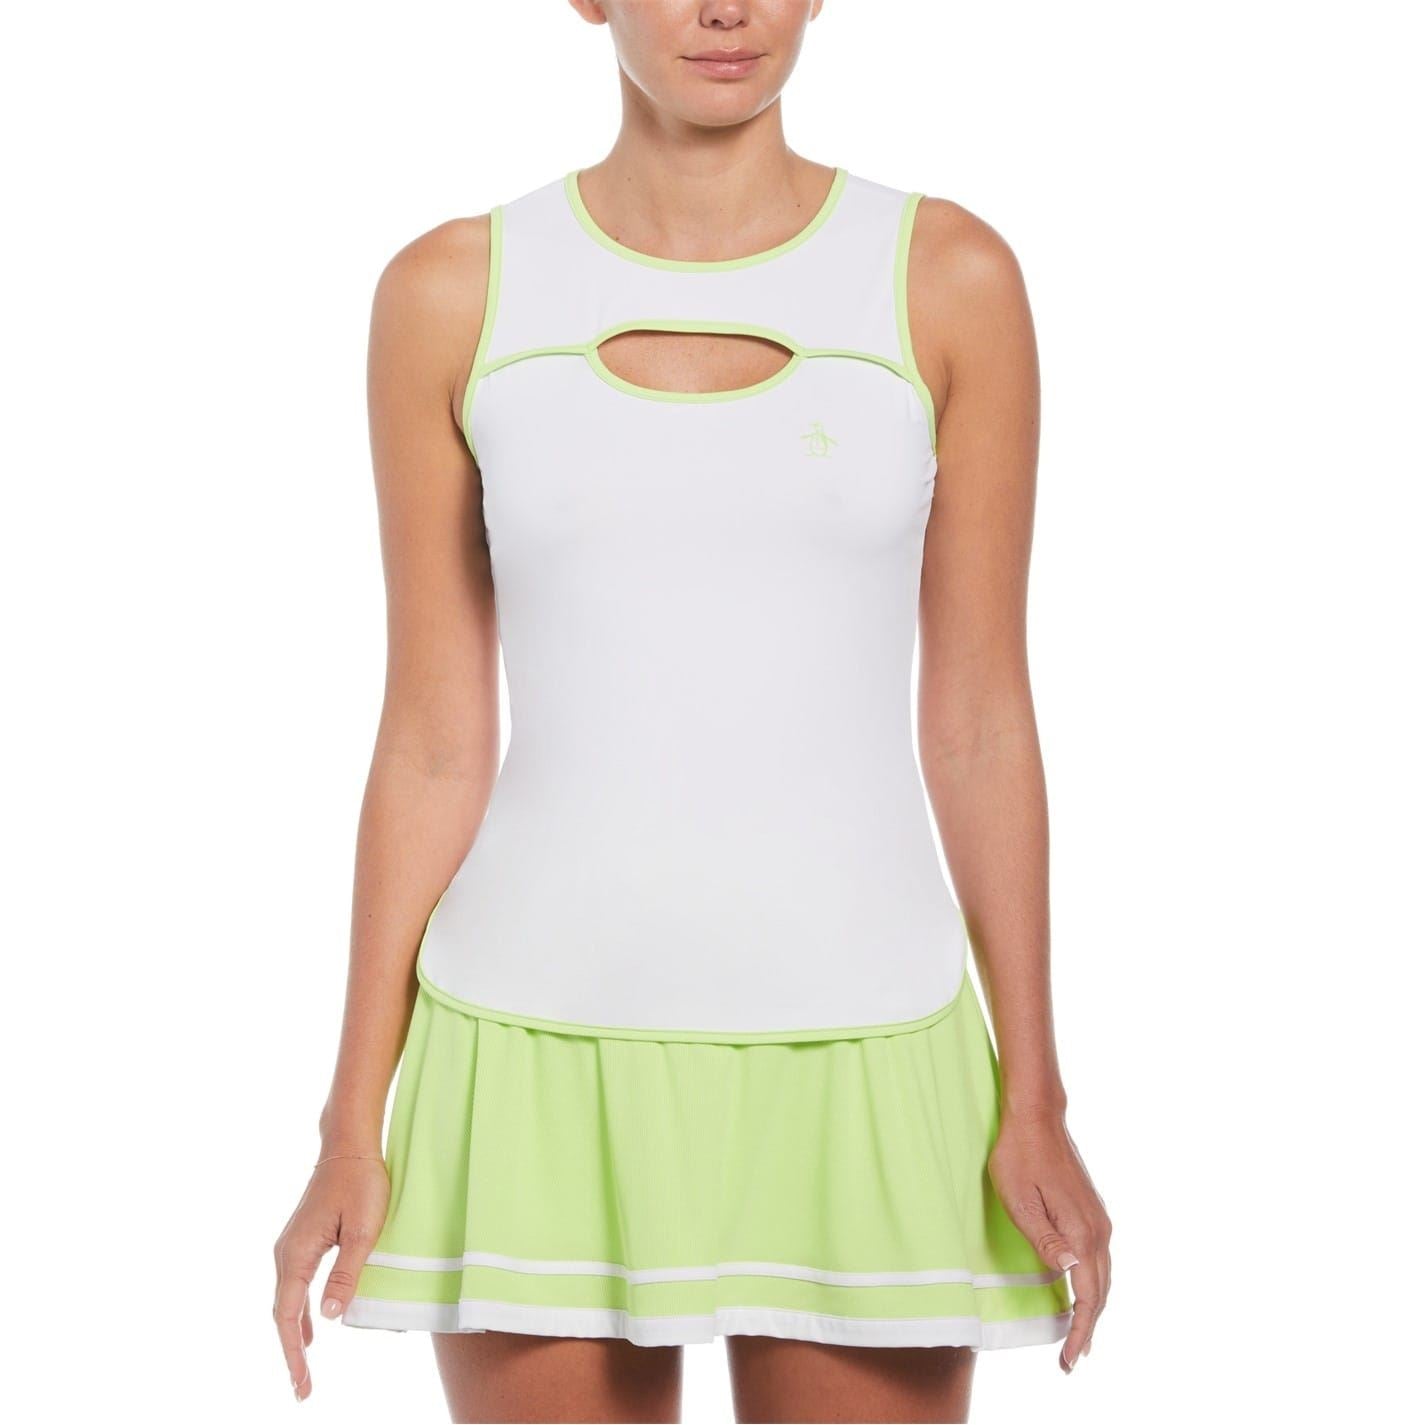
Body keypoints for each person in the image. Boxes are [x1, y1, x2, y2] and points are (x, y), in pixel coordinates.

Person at [272, 2, 1112, 1419]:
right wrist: (350, 1118)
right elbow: (430, 738)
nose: (726, 8)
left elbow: (977, 717)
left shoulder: (947, 280)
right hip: (530, 1050)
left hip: (867, 1040)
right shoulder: (452, 293)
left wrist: (1036, 1092)